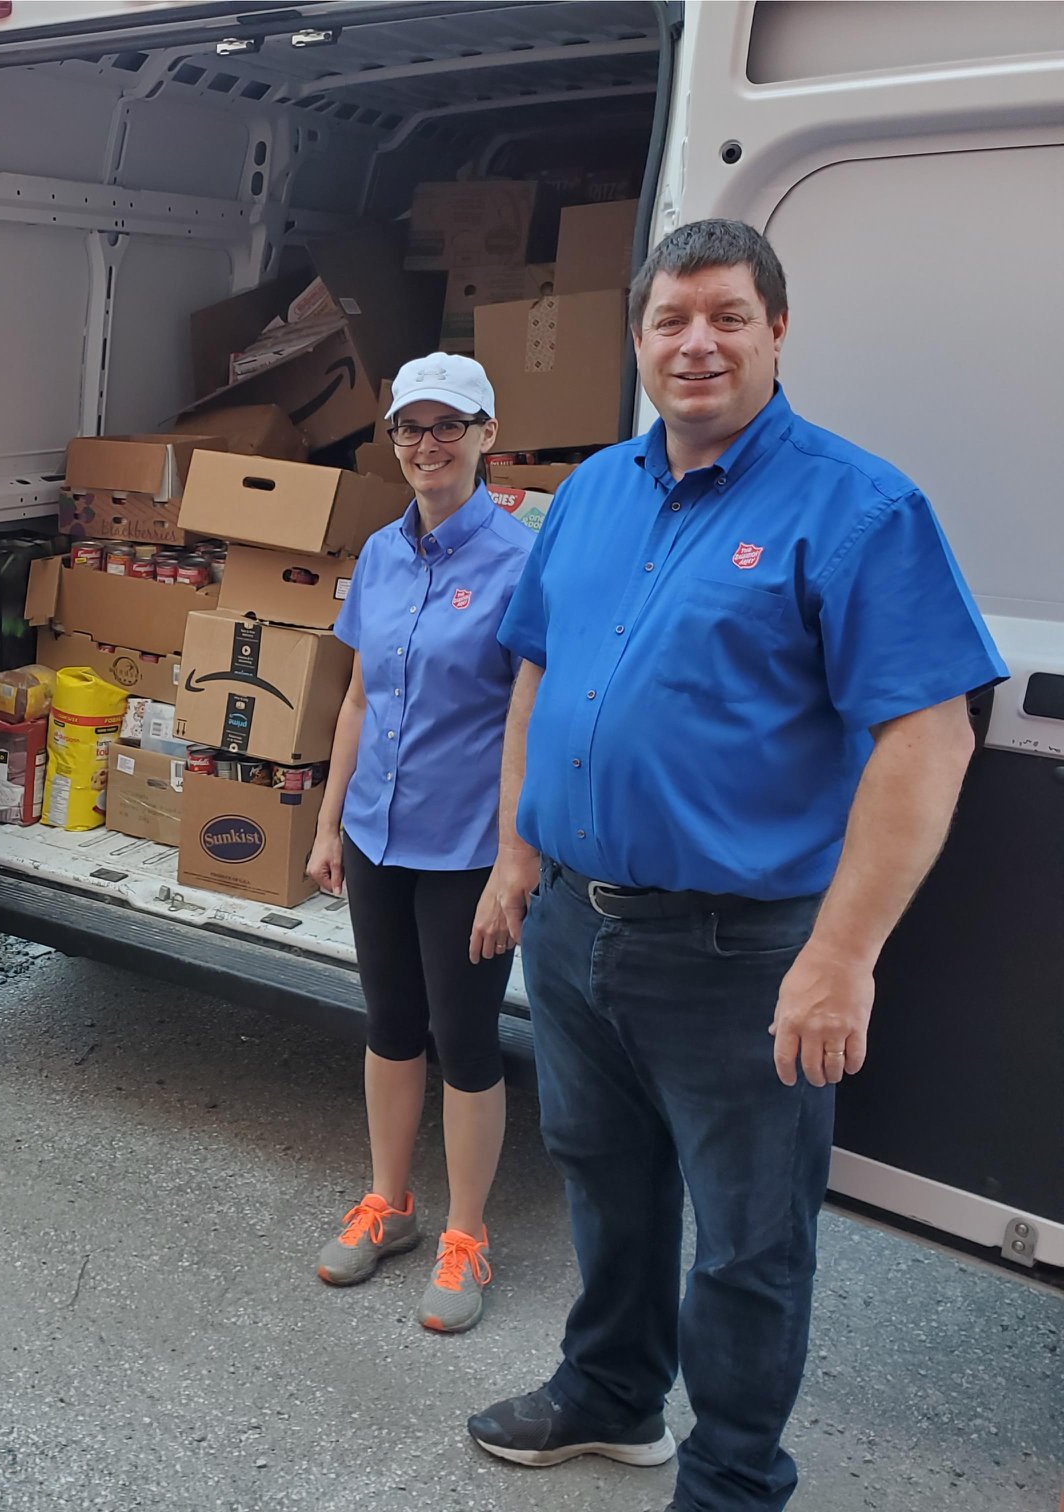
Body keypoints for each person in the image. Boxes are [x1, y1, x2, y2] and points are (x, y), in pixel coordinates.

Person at [465, 220, 1006, 1511]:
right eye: (672, 319)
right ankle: (613, 1395)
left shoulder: (858, 508)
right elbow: (539, 674)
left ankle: (732, 1481)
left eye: (727, 316)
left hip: (741, 951)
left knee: (749, 1242)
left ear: (777, 333)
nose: (697, 343)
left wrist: (842, 955)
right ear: (638, 339)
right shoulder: (592, 492)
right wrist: (514, 855)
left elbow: (930, 739)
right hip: (577, 926)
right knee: (604, 1181)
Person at [305, 353, 535, 1332]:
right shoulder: (382, 552)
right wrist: (328, 821)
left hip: (466, 850)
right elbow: (360, 697)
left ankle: (466, 1234)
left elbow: (530, 722)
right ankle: (389, 1203)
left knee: (467, 1041)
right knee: (390, 1024)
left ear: (487, 436)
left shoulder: (521, 562)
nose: (427, 445)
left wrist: (516, 863)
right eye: (411, 427)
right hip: (377, 834)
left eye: (449, 426)